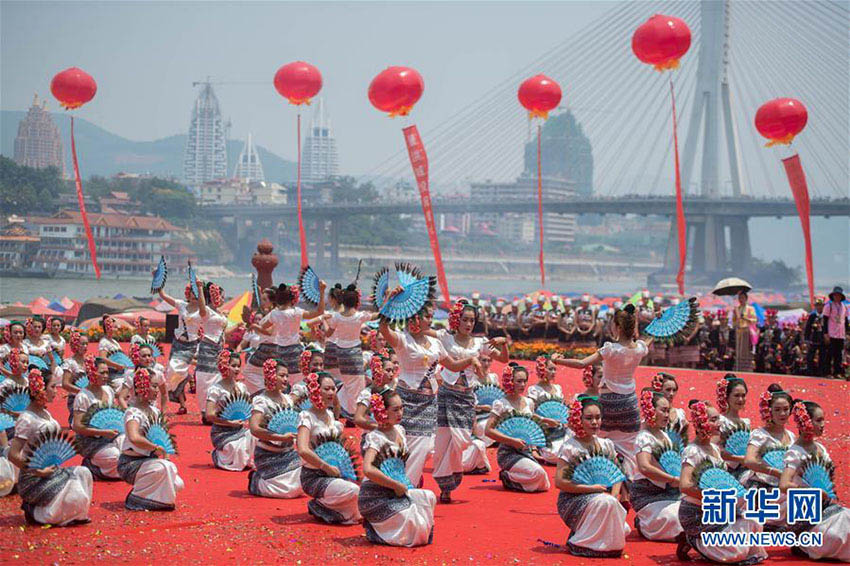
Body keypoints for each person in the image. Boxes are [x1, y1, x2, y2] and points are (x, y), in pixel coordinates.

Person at [378, 302, 480, 488]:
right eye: (427, 316)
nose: (430, 320)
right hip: (406, 401)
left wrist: (471, 360)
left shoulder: (435, 344)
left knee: (424, 448)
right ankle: (399, 485)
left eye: (431, 316)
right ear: (414, 318)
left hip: (429, 403)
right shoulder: (403, 339)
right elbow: (383, 328)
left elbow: (452, 365)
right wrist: (390, 302)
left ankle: (408, 484)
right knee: (403, 444)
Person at [553, 304, 649, 477]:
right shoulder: (640, 348)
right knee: (628, 449)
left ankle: (597, 477)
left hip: (609, 402)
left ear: (617, 327)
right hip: (630, 404)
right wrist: (656, 325)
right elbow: (649, 339)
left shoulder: (611, 349)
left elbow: (581, 363)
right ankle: (625, 483)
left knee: (598, 442)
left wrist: (558, 361)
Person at [677, 400, 767, 564]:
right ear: (701, 423)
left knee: (754, 521)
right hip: (697, 512)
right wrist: (714, 498)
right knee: (735, 554)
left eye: (718, 418)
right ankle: (693, 539)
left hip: (719, 509)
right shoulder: (692, 451)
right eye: (713, 420)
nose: (719, 423)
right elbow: (684, 486)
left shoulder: (714, 449)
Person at [432, 300, 503, 502]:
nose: (469, 324)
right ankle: (445, 486)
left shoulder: (480, 343)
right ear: (456, 320)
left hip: (466, 396)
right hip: (446, 393)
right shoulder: (444, 337)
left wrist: (504, 344)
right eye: (465, 319)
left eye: (472, 320)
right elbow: (421, 331)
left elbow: (504, 359)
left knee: (462, 440)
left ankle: (454, 472)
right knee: (443, 440)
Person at [8, 369, 93, 526]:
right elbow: (13, 454)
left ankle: (64, 513)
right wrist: (38, 471)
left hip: (52, 471)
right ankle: (36, 512)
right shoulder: (27, 419)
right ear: (41, 389)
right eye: (53, 387)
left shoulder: (45, 413)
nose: (56, 391)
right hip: (33, 478)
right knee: (74, 490)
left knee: (84, 473)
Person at [359, 389, 436, 546]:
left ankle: (387, 528)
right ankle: (376, 530)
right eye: (395, 410)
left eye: (402, 408)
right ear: (383, 411)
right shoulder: (375, 437)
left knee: (428, 497)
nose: (400, 413)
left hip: (397, 490)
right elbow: (368, 469)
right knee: (414, 524)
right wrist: (395, 485)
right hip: (376, 495)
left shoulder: (400, 430)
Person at [555, 395, 630, 557]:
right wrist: (591, 489)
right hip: (574, 498)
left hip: (603, 497)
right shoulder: (570, 447)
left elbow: (617, 474)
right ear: (578, 420)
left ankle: (594, 537)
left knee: (612, 508)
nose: (595, 422)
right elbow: (560, 482)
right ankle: (580, 543)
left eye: (598, 417)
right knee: (606, 505)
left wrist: (614, 496)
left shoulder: (606, 444)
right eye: (589, 418)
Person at [779, 400, 850, 561]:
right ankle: (803, 544)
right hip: (806, 514)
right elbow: (783, 485)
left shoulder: (820, 448)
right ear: (805, 422)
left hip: (826, 508)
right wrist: (813, 491)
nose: (823, 425)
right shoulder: (795, 452)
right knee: (836, 535)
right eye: (818, 420)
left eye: (823, 420)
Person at [296, 372, 361, 525]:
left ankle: (336, 509)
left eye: (333, 389)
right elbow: (303, 449)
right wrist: (326, 466)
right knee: (352, 491)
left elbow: (337, 407)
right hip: (314, 476)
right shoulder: (306, 416)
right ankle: (320, 505)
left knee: (364, 491)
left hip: (335, 473)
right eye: (326, 389)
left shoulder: (330, 415)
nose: (331, 392)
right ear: (315, 391)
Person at [118, 367, 184, 511]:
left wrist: (165, 455)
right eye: (154, 386)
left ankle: (150, 498)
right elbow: (134, 437)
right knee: (164, 469)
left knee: (177, 481)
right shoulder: (133, 412)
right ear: (143, 388)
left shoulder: (155, 411)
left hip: (150, 460)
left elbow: (163, 438)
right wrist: (154, 447)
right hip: (131, 463)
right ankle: (136, 498)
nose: (157, 390)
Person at [484, 363, 551, 493]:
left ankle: (512, 478)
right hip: (508, 452)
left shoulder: (529, 402)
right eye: (519, 381)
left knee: (544, 484)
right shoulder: (501, 404)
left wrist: (534, 449)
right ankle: (509, 478)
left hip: (526, 451)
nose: (522, 384)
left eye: (524, 381)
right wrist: (512, 440)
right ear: (510, 382)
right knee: (538, 473)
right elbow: (488, 430)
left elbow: (531, 426)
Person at [247, 280, 327, 388]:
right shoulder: (296, 312)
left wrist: (255, 325)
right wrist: (322, 291)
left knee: (282, 381)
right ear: (292, 298)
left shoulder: (274, 314)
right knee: (299, 382)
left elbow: (264, 328)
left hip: (280, 351)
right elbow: (319, 312)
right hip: (295, 350)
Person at [741, 385, 795, 530]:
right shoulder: (760, 435)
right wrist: (775, 472)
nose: (782, 413)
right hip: (763, 487)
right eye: (777, 410)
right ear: (769, 411)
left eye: (786, 409)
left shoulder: (791, 436)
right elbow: (749, 460)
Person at [630, 390, 682, 541]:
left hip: (672, 491)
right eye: (663, 410)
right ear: (651, 411)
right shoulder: (644, 437)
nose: (667, 415)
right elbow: (644, 467)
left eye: (668, 411)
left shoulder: (664, 435)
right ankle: (644, 524)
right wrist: (672, 479)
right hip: (650, 495)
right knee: (674, 517)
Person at [247, 359, 303, 498]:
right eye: (282, 375)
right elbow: (254, 428)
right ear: (271, 376)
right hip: (268, 453)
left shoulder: (288, 399)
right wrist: (279, 437)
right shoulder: (261, 400)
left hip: (288, 452)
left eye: (287, 376)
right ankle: (255, 481)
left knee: (301, 484)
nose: (286, 379)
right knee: (287, 491)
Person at [325, 284, 378, 420]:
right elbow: (379, 315)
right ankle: (354, 414)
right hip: (354, 353)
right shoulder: (359, 316)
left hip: (340, 353)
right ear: (357, 302)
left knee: (348, 383)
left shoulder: (337, 317)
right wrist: (388, 299)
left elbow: (328, 333)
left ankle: (346, 411)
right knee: (357, 385)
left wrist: (325, 323)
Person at [72, 355, 123, 480]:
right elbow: (77, 426)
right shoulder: (83, 396)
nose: (106, 376)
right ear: (92, 373)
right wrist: (102, 432)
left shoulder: (109, 390)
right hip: (90, 440)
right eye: (102, 373)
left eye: (107, 372)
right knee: (116, 457)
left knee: (129, 449)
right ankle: (93, 467)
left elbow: (113, 414)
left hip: (110, 435)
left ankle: (113, 469)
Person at [158, 282, 203, 415]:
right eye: (192, 292)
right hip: (177, 342)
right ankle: (182, 404)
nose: (194, 296)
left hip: (190, 344)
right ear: (188, 294)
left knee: (175, 369)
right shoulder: (181, 304)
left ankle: (186, 377)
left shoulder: (203, 310)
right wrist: (158, 280)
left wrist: (200, 288)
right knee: (172, 374)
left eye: (197, 293)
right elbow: (163, 295)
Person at [206, 350, 255, 471]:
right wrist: (228, 422)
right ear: (225, 366)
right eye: (233, 366)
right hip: (221, 431)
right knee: (236, 447)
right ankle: (219, 457)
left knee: (254, 437)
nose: (237, 369)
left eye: (239, 366)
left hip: (239, 429)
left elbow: (248, 407)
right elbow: (209, 415)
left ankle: (242, 460)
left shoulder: (242, 387)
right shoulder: (216, 389)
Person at [195, 281, 230, 425]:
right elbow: (201, 307)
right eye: (221, 296)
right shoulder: (207, 311)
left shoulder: (220, 313)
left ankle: (215, 409)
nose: (223, 299)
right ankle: (205, 411)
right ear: (214, 296)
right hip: (208, 347)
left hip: (219, 349)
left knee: (218, 378)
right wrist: (199, 288)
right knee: (205, 379)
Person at [528, 355, 567, 465]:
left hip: (560, 428)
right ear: (542, 369)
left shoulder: (558, 388)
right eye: (550, 369)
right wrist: (545, 420)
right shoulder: (534, 390)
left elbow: (563, 409)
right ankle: (534, 449)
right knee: (554, 455)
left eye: (555, 369)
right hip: (543, 430)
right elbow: (529, 414)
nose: (553, 372)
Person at [715, 374, 750, 479]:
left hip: (745, 471)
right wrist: (740, 459)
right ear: (727, 396)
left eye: (743, 395)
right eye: (736, 395)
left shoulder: (746, 423)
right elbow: (715, 450)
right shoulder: (720, 421)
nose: (740, 399)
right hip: (725, 472)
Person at [60, 330, 89, 427]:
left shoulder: (89, 362)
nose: (85, 346)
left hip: (89, 397)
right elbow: (65, 384)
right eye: (82, 344)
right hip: (76, 398)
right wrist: (82, 391)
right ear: (75, 345)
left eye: (86, 344)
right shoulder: (70, 363)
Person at [823, 286, 848, 379]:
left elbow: (846, 321)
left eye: (839, 295)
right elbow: (825, 320)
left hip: (841, 334)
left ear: (841, 297)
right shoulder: (828, 306)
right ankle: (827, 372)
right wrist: (825, 333)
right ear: (833, 296)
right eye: (835, 295)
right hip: (831, 333)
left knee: (838, 355)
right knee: (829, 354)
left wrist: (847, 332)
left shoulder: (844, 307)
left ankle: (837, 372)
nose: (837, 297)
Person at [97, 315, 129, 384]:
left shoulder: (115, 342)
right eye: (115, 327)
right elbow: (102, 358)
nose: (117, 328)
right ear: (108, 328)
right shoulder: (104, 341)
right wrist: (117, 365)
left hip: (121, 373)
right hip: (113, 375)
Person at [732, 291, 757, 372]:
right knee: (739, 350)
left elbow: (754, 320)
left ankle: (747, 368)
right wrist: (736, 318)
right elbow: (734, 321)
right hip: (739, 331)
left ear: (746, 299)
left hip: (747, 331)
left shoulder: (750, 308)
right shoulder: (737, 309)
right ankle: (739, 366)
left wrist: (745, 318)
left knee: (746, 350)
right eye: (739, 298)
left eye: (742, 298)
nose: (741, 300)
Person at [804, 297, 828, 376]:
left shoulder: (826, 316)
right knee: (810, 357)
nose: (819, 307)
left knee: (822, 357)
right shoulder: (812, 316)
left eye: (820, 305)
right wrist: (806, 339)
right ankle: (810, 371)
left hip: (823, 339)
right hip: (813, 339)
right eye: (817, 305)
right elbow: (808, 328)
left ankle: (821, 372)